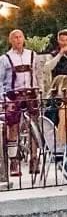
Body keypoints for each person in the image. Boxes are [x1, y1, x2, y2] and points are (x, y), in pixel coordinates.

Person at [2, 29, 42, 177]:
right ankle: (14, 161)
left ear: (24, 39)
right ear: (10, 41)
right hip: (13, 95)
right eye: (15, 38)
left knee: (34, 127)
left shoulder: (32, 55)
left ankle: (34, 158)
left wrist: (39, 90)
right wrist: (4, 99)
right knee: (13, 128)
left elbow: (37, 74)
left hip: (30, 93)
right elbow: (1, 81)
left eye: (20, 37)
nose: (18, 40)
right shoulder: (5, 58)